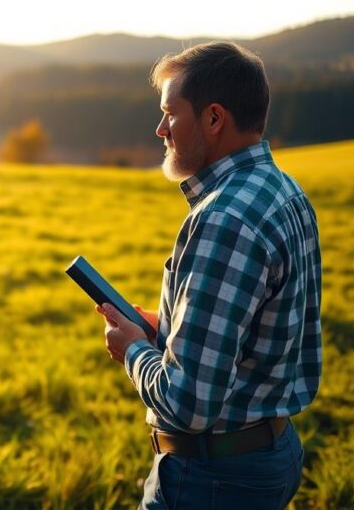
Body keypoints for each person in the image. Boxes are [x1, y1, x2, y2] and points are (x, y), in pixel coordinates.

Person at [96, 41, 322, 510]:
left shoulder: (225, 219)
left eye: (169, 114)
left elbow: (189, 404)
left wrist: (132, 349)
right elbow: (255, 336)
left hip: (213, 479)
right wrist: (167, 333)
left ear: (214, 118)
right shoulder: (284, 189)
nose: (160, 129)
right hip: (269, 453)